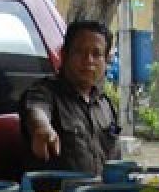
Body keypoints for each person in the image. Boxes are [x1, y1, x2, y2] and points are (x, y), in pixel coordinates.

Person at [18, 19, 120, 177]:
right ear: (64, 55)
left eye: (96, 54)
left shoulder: (105, 104)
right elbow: (36, 110)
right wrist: (41, 128)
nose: (88, 60)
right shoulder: (45, 92)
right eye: (80, 52)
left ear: (106, 61)